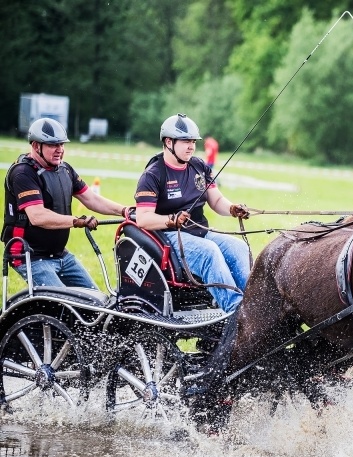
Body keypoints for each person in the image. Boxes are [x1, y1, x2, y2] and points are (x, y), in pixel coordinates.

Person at [133, 114, 250, 313]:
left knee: (239, 247)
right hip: (169, 237)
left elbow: (216, 200)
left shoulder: (199, 166)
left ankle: (254, 304)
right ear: (168, 142)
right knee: (209, 252)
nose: (191, 146)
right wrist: (172, 220)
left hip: (200, 232)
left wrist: (232, 208)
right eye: (186, 141)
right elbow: (143, 219)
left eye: (194, 141)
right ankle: (236, 311)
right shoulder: (152, 175)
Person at [2, 118, 128, 289]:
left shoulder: (65, 169)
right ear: (36, 146)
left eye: (62, 144)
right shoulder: (23, 173)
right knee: (63, 301)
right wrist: (76, 221)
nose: (60, 150)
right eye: (53, 145)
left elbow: (91, 199)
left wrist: (125, 211)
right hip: (29, 257)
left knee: (95, 299)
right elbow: (38, 216)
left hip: (60, 254)